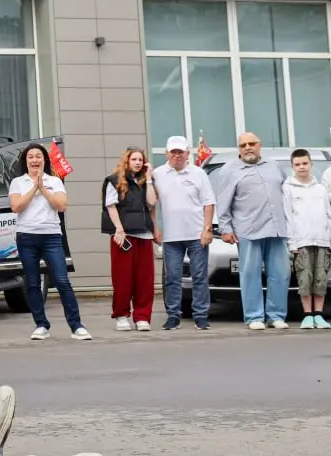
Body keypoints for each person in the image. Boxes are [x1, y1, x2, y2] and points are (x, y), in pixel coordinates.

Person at [9, 143, 90, 341]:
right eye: (31, 157)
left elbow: (61, 205)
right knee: (33, 283)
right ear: (25, 161)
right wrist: (33, 188)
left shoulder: (55, 181)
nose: (35, 160)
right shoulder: (18, 182)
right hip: (26, 237)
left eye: (38, 156)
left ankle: (76, 325)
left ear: (45, 160)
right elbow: (16, 206)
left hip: (51, 236)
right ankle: (41, 325)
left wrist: (43, 189)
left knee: (62, 280)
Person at [212, 133, 290, 330]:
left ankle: (276, 315)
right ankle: (254, 316)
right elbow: (223, 202)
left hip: (276, 229)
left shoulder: (274, 167)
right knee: (250, 274)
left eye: (252, 144)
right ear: (239, 148)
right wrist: (226, 229)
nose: (248, 147)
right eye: (243, 145)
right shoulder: (229, 170)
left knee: (280, 274)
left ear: (259, 145)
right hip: (248, 230)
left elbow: (287, 195)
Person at [151, 135, 216, 331]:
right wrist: (155, 227)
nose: (177, 156)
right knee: (172, 278)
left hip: (196, 235)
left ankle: (201, 316)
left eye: (180, 152)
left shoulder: (198, 173)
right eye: (173, 152)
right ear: (167, 153)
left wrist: (207, 229)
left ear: (188, 153)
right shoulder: (158, 174)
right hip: (171, 236)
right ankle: (173, 316)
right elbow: (151, 204)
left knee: (199, 276)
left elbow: (208, 203)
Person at [101, 147, 159, 333]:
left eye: (140, 160)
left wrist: (149, 179)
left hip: (144, 235)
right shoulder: (114, 180)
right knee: (123, 279)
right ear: (126, 161)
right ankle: (122, 315)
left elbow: (151, 204)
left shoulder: (145, 182)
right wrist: (119, 229)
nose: (137, 163)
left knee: (145, 280)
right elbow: (111, 206)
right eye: (134, 159)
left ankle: (142, 316)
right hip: (123, 237)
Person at [281, 148, 331, 330]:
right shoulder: (288, 188)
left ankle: (318, 314)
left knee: (320, 279)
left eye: (305, 163)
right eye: (297, 164)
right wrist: (291, 242)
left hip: (322, 240)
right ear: (292, 166)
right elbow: (287, 215)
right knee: (305, 278)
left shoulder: (320, 189)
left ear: (311, 164)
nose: (302, 167)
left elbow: (328, 214)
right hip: (301, 241)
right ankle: (307, 315)